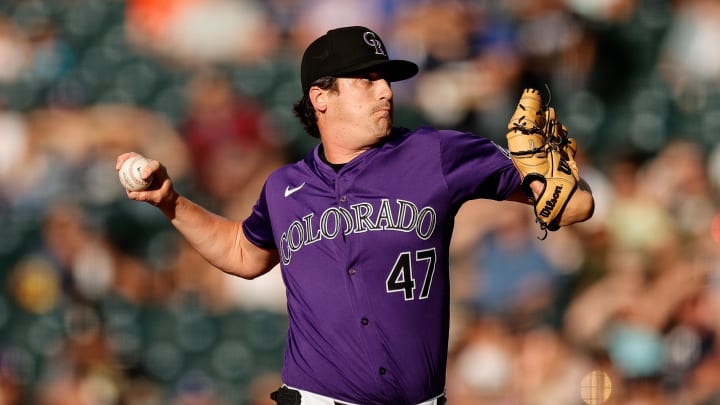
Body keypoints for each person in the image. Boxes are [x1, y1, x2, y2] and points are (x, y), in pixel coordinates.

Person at [117, 26, 594, 405]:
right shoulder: (285, 189)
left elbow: (577, 205)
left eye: (385, 78)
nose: (385, 90)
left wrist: (553, 174)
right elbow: (244, 252)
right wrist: (171, 203)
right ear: (321, 98)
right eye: (366, 80)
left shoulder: (435, 153)